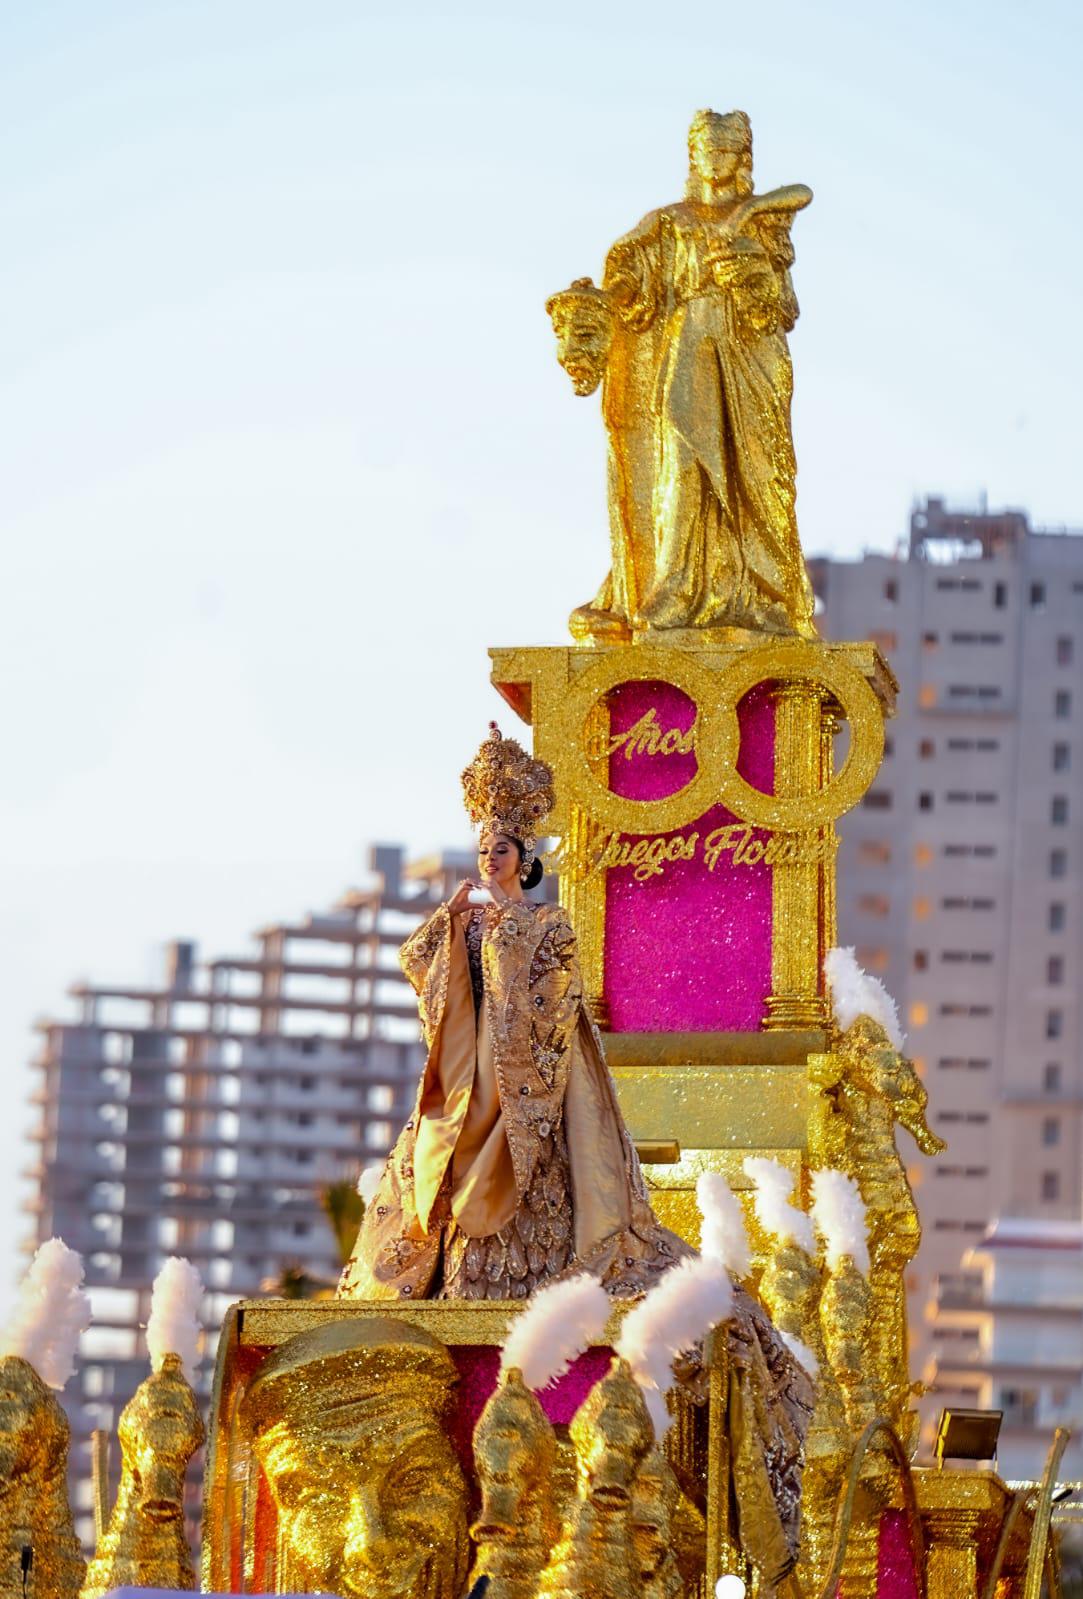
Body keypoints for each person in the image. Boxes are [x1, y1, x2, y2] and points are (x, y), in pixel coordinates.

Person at [338, 723, 690, 1300]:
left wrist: (506, 932)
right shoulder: (471, 920)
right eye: (483, 850)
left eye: (500, 849)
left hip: (526, 1082)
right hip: (467, 1074)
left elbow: (558, 996)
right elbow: (419, 966)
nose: (489, 859)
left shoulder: (546, 922)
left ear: (524, 858)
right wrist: (448, 925)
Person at [549, 109, 816, 643]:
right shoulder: (668, 223)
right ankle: (673, 586)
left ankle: (755, 589)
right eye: (707, 149)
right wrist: (604, 303)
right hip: (689, 344)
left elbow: (783, 306)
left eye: (726, 150)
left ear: (742, 158)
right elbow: (630, 281)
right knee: (682, 452)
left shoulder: (761, 222)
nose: (715, 160)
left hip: (746, 356)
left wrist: (754, 272)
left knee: (756, 477)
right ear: (693, 156)